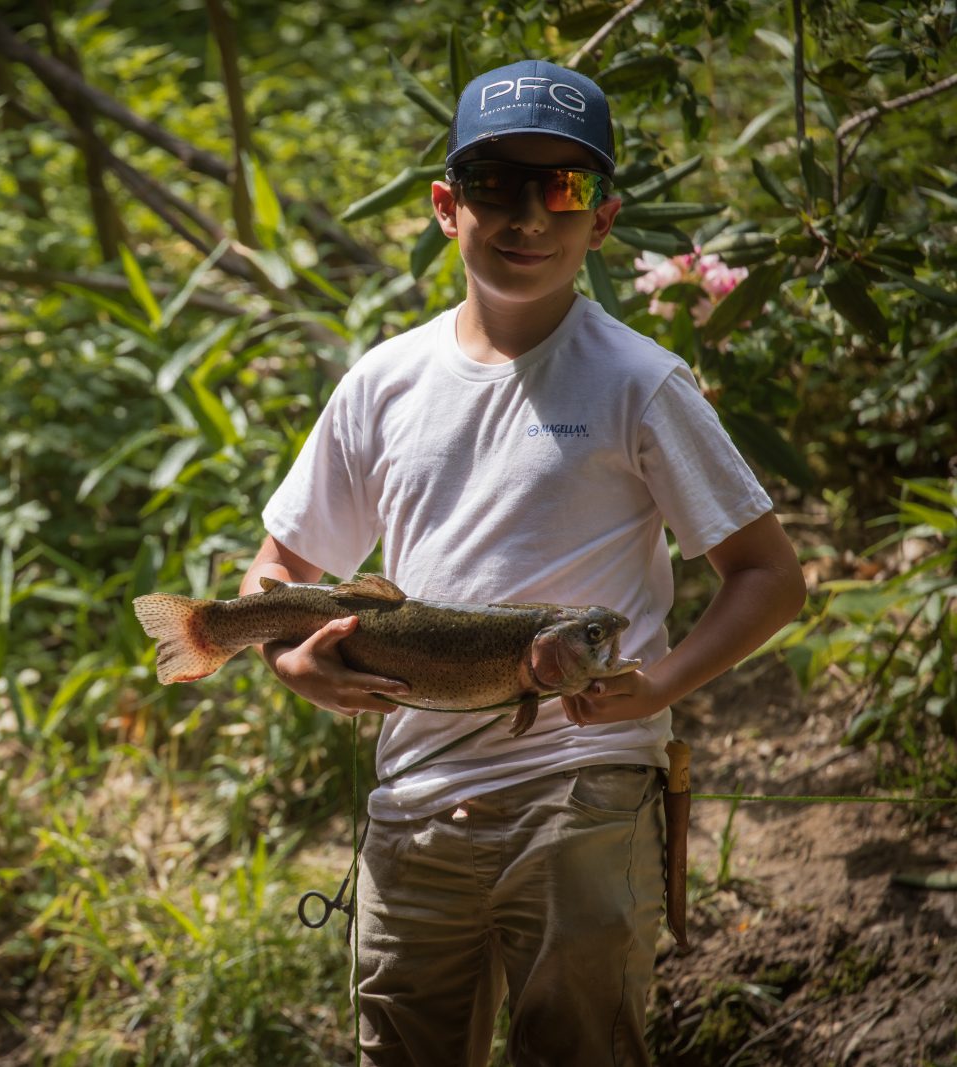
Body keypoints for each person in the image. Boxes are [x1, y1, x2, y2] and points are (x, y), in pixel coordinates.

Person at [238, 59, 806, 1066]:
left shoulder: (640, 381)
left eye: (564, 187)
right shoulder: (383, 381)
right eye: (497, 185)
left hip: (582, 784)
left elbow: (767, 575)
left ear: (602, 217)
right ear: (446, 206)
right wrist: (293, 663)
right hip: (411, 802)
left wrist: (653, 689)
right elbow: (277, 566)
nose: (529, 215)